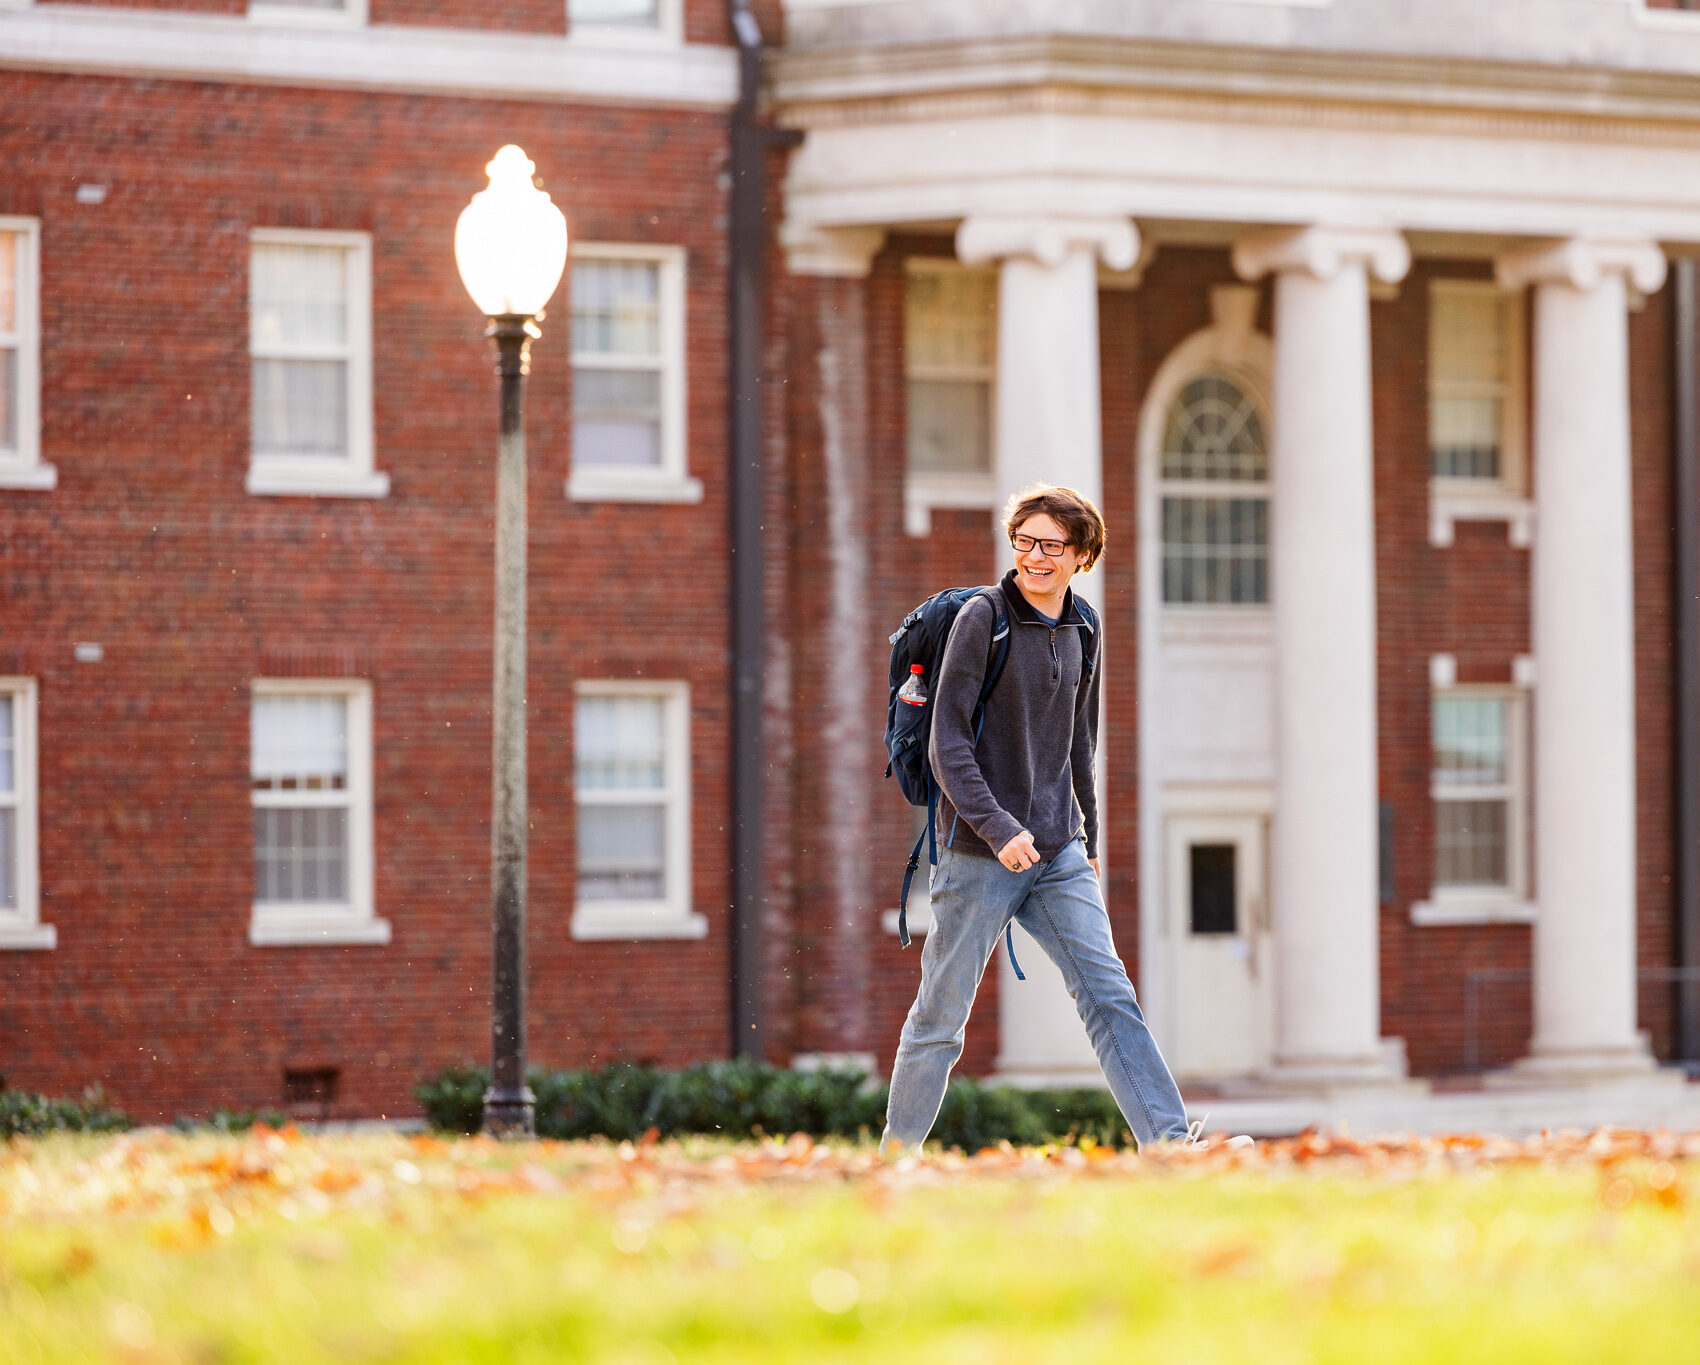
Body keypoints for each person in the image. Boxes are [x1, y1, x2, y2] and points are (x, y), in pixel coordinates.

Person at [880, 483, 1247, 1156]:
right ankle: (895, 1159)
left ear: (1082, 555)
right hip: (976, 853)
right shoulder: (982, 620)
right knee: (942, 1014)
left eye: (1050, 545)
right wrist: (998, 827)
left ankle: (1168, 1146)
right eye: (1024, 541)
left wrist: (1090, 837)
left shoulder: (1085, 628)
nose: (1034, 557)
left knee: (1110, 996)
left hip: (1058, 853)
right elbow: (947, 745)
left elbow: (1081, 741)